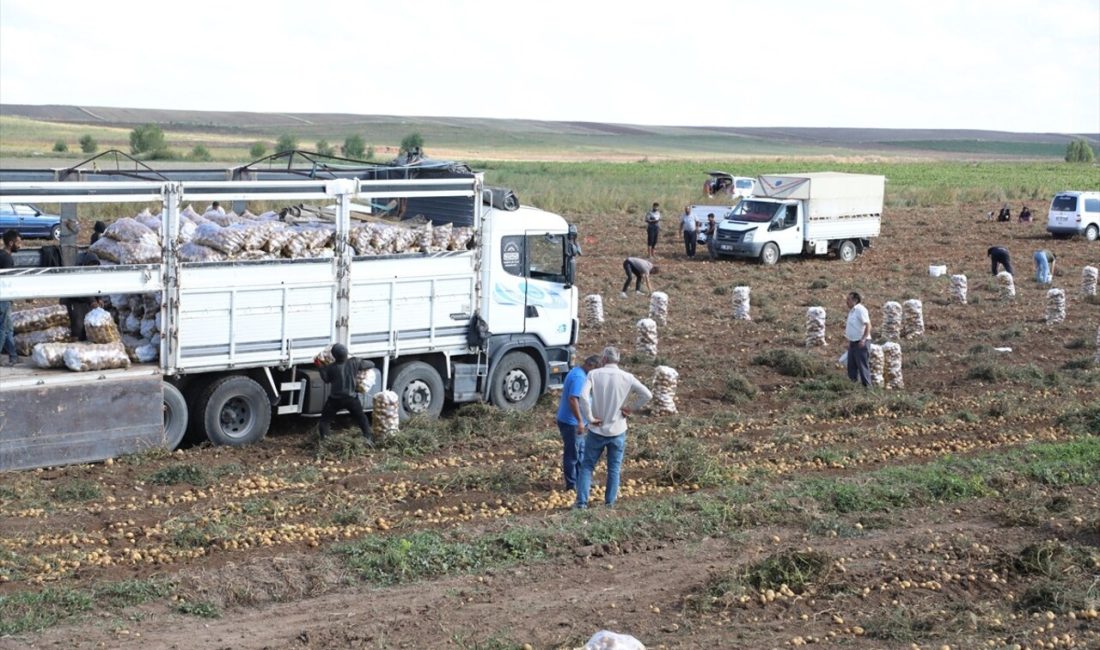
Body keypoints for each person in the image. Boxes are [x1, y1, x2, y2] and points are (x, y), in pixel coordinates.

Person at [575, 346, 652, 509]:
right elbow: (647, 394)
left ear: (603, 359)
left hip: (597, 429)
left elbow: (582, 397)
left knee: (587, 467)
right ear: (618, 360)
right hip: (618, 430)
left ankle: (582, 503)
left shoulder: (594, 374)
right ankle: (609, 504)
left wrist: (589, 418)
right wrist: (630, 408)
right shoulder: (627, 377)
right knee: (614, 469)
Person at [555, 355, 601, 491]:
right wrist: (580, 421)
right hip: (571, 422)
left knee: (580, 452)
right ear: (591, 366)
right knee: (573, 454)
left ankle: (582, 480)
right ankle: (572, 484)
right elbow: (573, 399)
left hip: (574, 421)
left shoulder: (577, 372)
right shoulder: (579, 378)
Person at [317, 343, 375, 443]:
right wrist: (358, 359)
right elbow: (371, 364)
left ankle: (325, 441)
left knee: (325, 421)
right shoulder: (354, 362)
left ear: (333, 356)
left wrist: (320, 368)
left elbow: (326, 379)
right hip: (351, 399)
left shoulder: (331, 367)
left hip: (335, 400)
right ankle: (368, 438)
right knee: (361, 418)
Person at [1, 230, 22, 365]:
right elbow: (8, 281)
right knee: (3, 328)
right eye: (18, 242)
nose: (21, 245)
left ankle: (13, 355)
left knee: (8, 328)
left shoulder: (1, 255)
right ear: (11, 243)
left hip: (3, 297)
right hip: (3, 297)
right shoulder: (7, 258)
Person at [844, 292, 872, 387]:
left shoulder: (861, 310)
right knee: (851, 367)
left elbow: (868, 325)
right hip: (853, 343)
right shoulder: (852, 311)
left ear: (855, 300)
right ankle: (853, 387)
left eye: (849, 300)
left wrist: (863, 339)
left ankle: (867, 388)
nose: (847, 302)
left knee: (862, 366)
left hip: (861, 343)